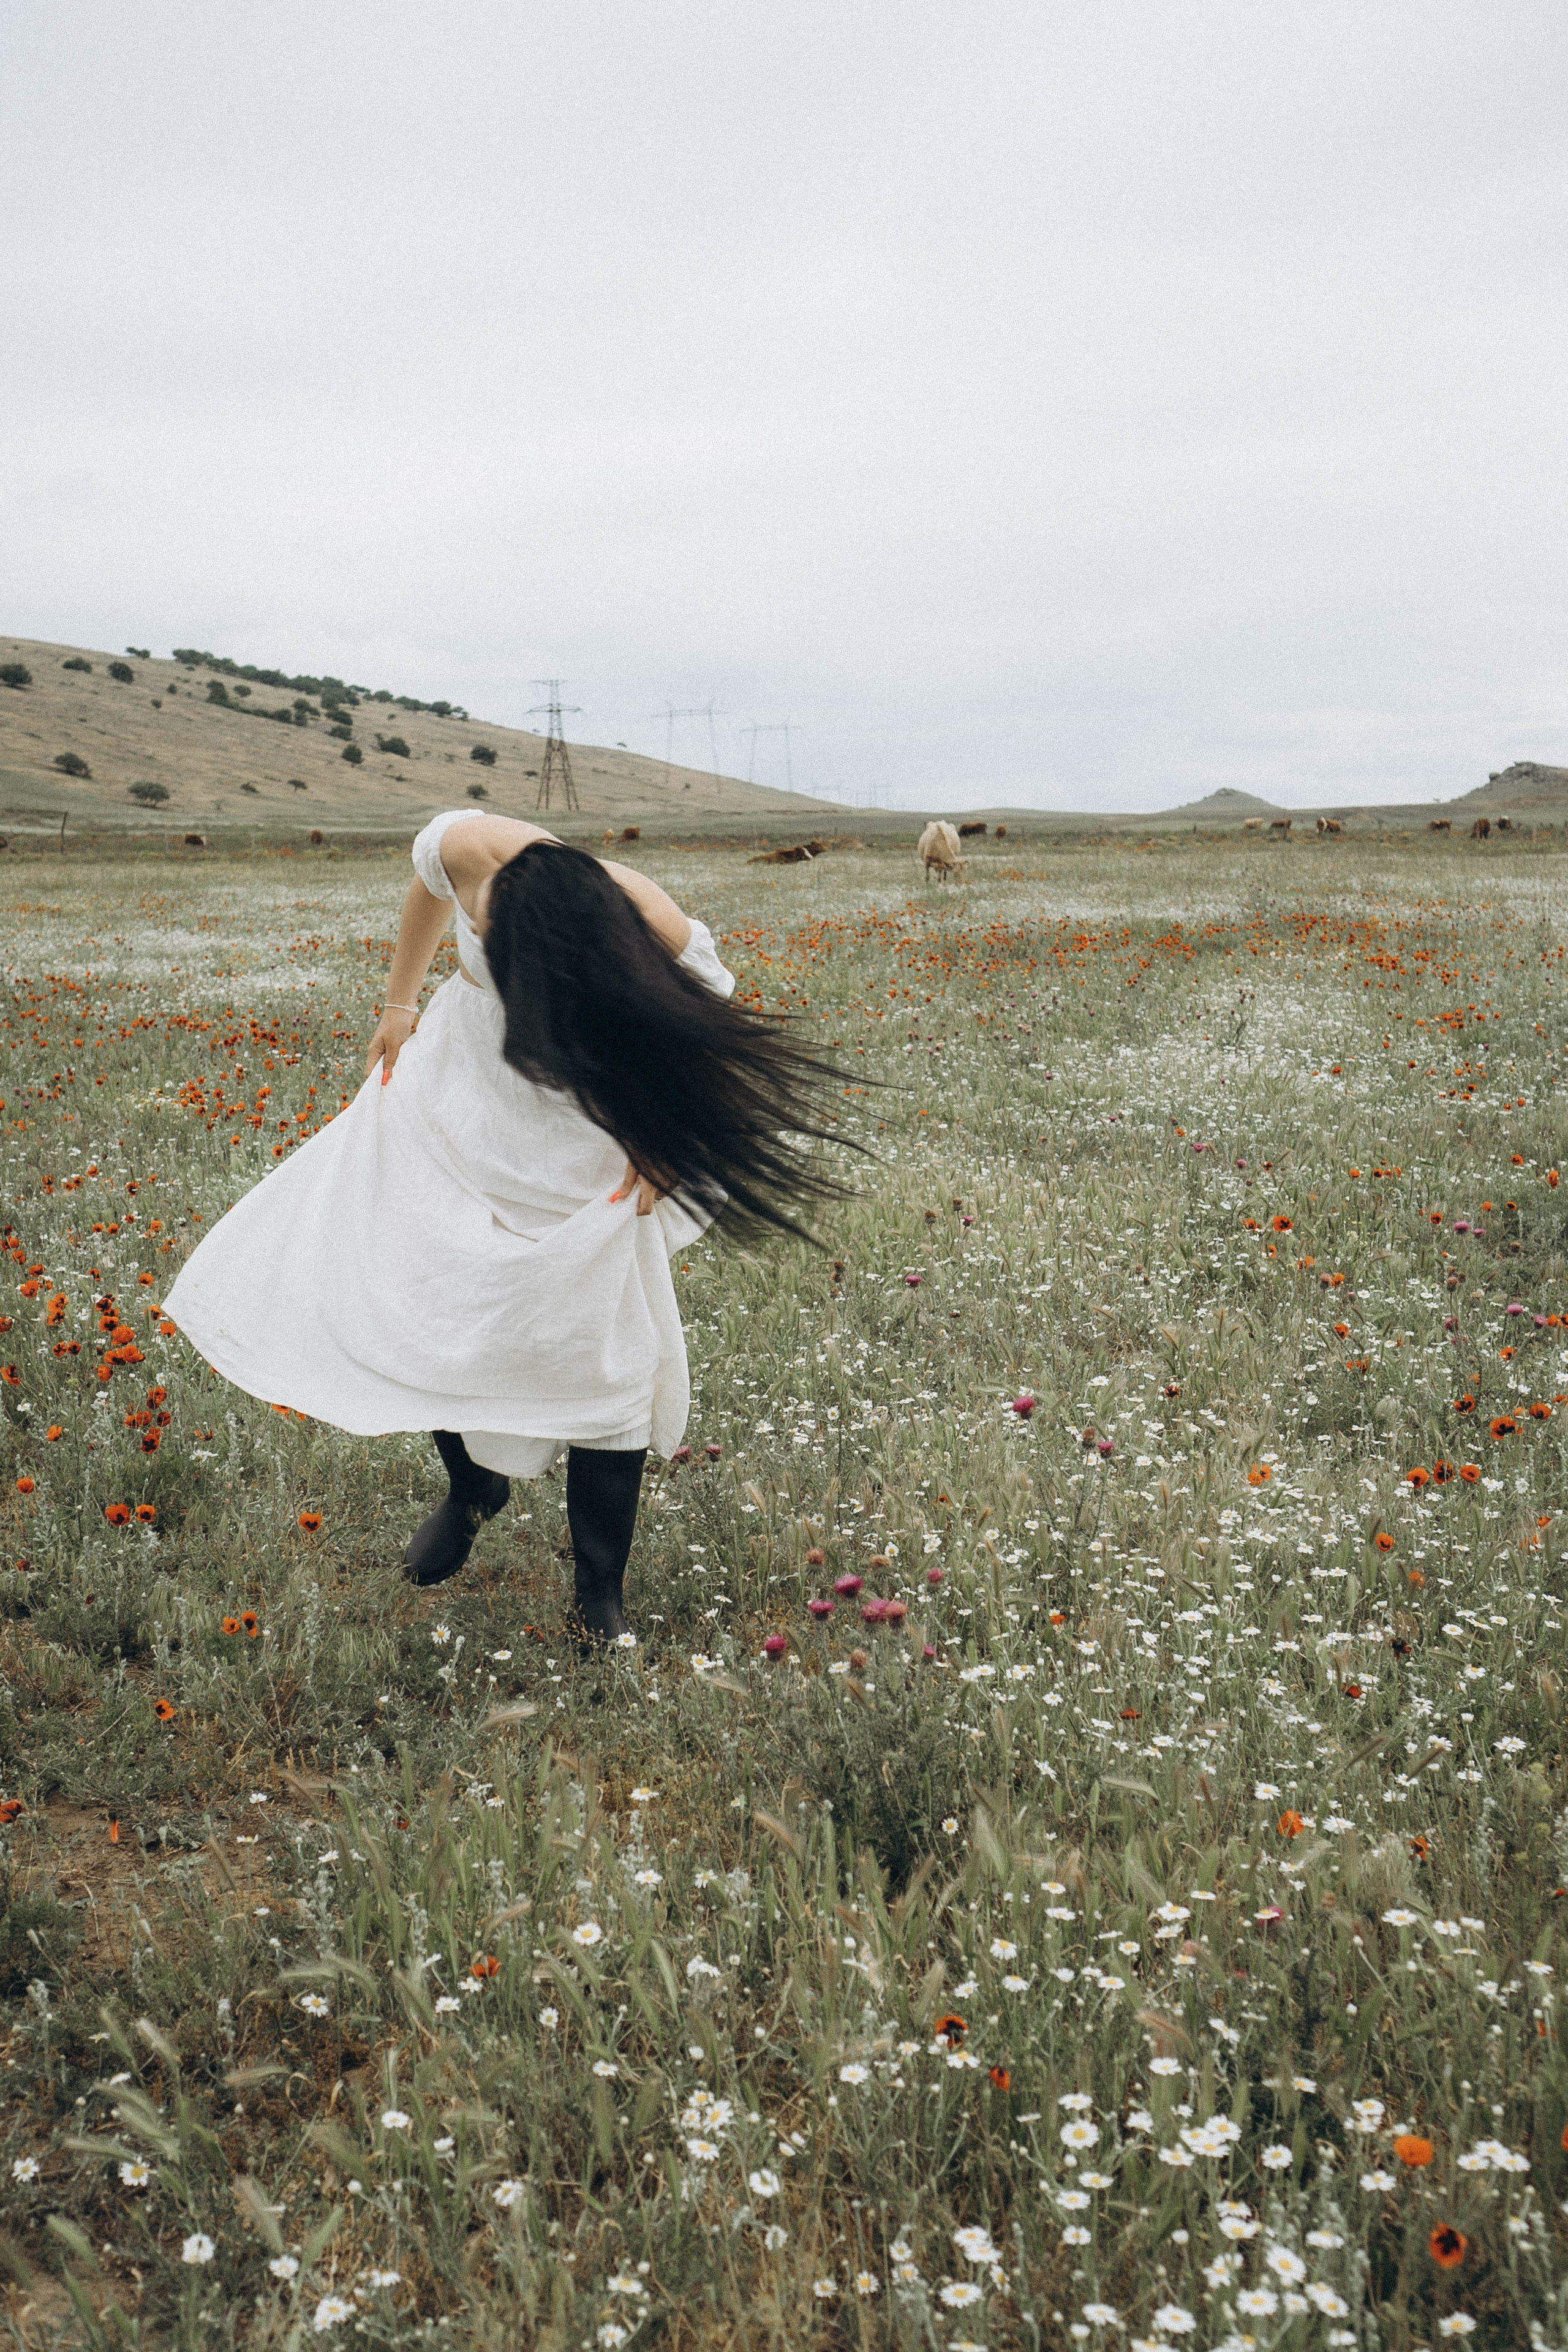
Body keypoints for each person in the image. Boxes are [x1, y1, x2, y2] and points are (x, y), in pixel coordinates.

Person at [163, 808, 846, 1641]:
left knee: (601, 1330)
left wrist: (659, 1141)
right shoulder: (463, 846)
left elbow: (687, 1033)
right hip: (463, 1078)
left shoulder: (646, 920)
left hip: (587, 1091)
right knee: (432, 1289)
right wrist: (399, 1003)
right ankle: (473, 1487)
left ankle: (599, 1595)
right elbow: (427, 890)